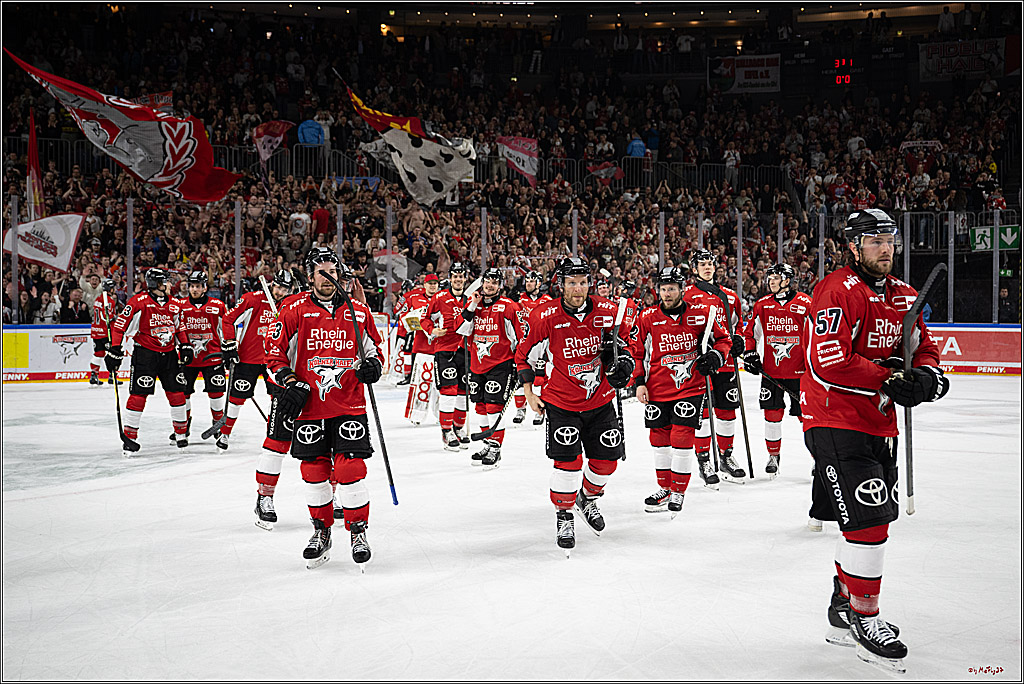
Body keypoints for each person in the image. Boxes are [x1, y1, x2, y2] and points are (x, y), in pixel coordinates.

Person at [802, 209, 948, 672]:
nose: (885, 248)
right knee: (870, 524)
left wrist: (926, 375)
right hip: (834, 418)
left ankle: (842, 610)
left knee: (869, 523)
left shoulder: (904, 294)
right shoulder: (836, 290)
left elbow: (922, 345)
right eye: (874, 240)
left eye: (890, 239)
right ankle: (866, 619)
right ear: (853, 246)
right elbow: (829, 361)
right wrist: (889, 379)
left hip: (879, 424)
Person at [266, 248, 384, 570]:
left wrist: (372, 366)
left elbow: (376, 351)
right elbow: (273, 355)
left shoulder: (358, 312)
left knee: (350, 470)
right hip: (310, 409)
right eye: (321, 271)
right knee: (314, 474)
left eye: (333, 271)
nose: (328, 277)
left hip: (349, 405)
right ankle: (321, 531)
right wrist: (290, 382)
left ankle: (358, 531)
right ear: (310, 276)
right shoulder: (293, 311)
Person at [515, 257, 635, 556]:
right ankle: (564, 514)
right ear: (561, 284)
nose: (578, 288)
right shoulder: (546, 316)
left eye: (582, 282)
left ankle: (587, 497)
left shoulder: (608, 312)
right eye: (572, 283)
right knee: (568, 466)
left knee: (607, 462)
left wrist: (625, 363)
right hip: (561, 402)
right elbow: (524, 356)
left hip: (601, 400)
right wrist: (530, 392)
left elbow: (627, 345)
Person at [632, 267, 731, 516]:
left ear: (681, 289)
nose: (667, 293)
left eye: (672, 288)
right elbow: (637, 353)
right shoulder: (647, 318)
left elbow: (724, 339)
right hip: (657, 388)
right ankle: (665, 488)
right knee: (659, 441)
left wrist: (715, 356)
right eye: (663, 289)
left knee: (682, 436)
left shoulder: (703, 314)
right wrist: (639, 382)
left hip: (690, 387)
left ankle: (678, 489)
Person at [105, 268, 191, 455]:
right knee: (138, 395)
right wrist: (115, 349)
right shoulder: (138, 303)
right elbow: (119, 327)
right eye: (166, 281)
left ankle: (181, 434)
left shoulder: (175, 304)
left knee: (177, 393)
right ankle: (130, 437)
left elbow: (180, 328)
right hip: (145, 355)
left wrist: (185, 345)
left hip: (169, 355)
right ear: (157, 284)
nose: (170, 284)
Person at [741, 262, 813, 479]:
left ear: (787, 281)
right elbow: (750, 334)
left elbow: (816, 336)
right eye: (769, 278)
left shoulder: (805, 303)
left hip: (801, 374)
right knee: (771, 415)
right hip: (772, 373)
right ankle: (774, 456)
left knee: (808, 418)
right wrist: (752, 354)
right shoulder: (762, 305)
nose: (770, 282)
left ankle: (819, 457)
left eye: (775, 278)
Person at [683, 249, 747, 487]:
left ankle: (726, 456)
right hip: (701, 363)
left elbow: (739, 325)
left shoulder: (729, 296)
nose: (707, 267)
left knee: (727, 410)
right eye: (702, 264)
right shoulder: (688, 295)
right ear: (694, 268)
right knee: (704, 413)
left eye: (710, 263)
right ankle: (704, 460)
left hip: (726, 360)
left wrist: (739, 339)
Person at [217, 270, 295, 450]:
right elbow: (228, 320)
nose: (280, 292)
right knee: (236, 398)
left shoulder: (290, 306)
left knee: (278, 399)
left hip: (276, 362)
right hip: (248, 359)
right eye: (278, 287)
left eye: (284, 289)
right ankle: (225, 433)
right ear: (272, 284)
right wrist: (229, 343)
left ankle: (276, 435)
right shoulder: (253, 299)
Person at [456, 267, 523, 469]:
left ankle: (495, 446)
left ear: (500, 285)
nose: (490, 284)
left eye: (495, 281)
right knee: (481, 407)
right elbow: (460, 329)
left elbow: (520, 337)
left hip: (500, 365)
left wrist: (520, 365)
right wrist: (472, 305)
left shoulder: (509, 307)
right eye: (488, 280)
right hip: (477, 364)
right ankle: (487, 442)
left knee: (494, 407)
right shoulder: (473, 305)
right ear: (481, 283)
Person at [168, 271, 229, 442]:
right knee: (183, 393)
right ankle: (184, 425)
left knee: (216, 393)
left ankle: (218, 424)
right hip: (187, 359)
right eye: (192, 286)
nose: (194, 289)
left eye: (198, 286)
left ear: (205, 288)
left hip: (213, 356)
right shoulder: (180, 305)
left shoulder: (218, 305)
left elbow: (226, 329)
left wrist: (229, 349)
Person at [420, 263, 472, 451]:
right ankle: (446, 430)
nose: (458, 279)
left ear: (465, 278)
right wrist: (432, 330)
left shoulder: (470, 299)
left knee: (463, 391)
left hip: (465, 351)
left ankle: (458, 428)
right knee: (449, 390)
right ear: (450, 278)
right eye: (455, 276)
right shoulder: (439, 297)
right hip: (444, 349)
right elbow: (424, 319)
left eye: (461, 276)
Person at [513, 270, 552, 426]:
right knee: (521, 377)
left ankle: (539, 410)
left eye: (532, 281)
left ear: (538, 284)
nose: (528, 283)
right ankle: (520, 408)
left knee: (540, 378)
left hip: (541, 345)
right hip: (523, 344)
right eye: (527, 281)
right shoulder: (519, 299)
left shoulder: (547, 300)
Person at [401, 274, 439, 424]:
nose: (432, 286)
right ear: (424, 284)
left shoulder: (443, 298)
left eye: (435, 283)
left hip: (441, 348)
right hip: (422, 347)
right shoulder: (414, 298)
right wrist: (413, 320)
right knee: (421, 382)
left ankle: (441, 415)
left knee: (440, 385)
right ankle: (416, 415)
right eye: (430, 283)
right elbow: (403, 317)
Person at [88, 278, 119, 386]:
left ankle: (94, 375)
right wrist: (115, 317)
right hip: (106, 332)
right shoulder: (108, 301)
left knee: (98, 354)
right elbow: (107, 317)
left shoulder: (98, 299)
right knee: (113, 353)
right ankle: (112, 376)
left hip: (96, 331)